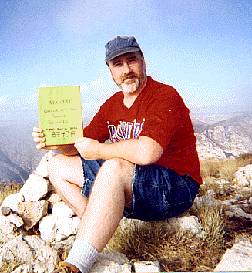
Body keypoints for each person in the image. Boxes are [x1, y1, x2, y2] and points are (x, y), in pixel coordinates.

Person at [32, 36, 202, 273]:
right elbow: (81, 145)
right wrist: (55, 141)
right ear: (111, 71)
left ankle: (76, 265)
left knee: (113, 167)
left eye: (131, 61)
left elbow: (147, 152)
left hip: (176, 185)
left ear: (143, 62)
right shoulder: (112, 104)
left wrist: (100, 150)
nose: (127, 70)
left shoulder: (164, 96)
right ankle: (94, 223)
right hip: (138, 184)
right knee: (57, 165)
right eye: (118, 64)